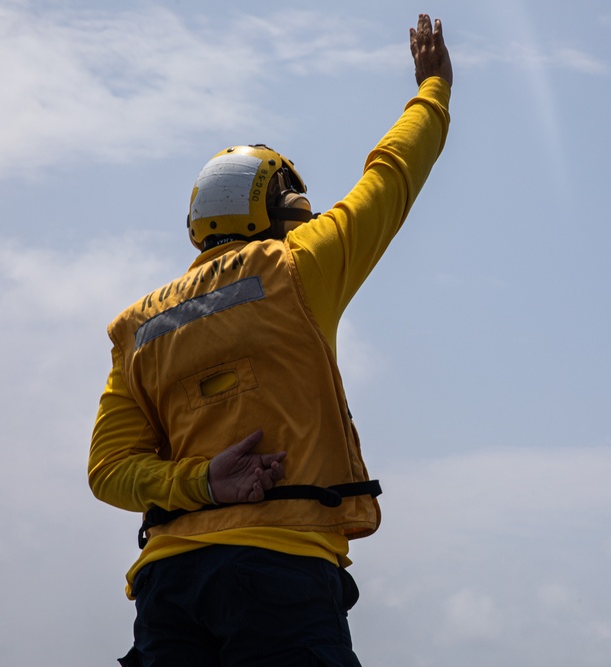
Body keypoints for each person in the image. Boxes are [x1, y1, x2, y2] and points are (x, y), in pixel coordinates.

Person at [88, 13, 452, 667]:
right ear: (281, 210)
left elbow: (109, 472)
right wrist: (432, 89)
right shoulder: (296, 267)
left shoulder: (137, 327)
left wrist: (202, 482)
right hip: (280, 567)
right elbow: (391, 173)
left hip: (168, 585)